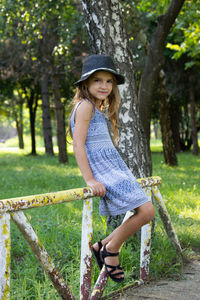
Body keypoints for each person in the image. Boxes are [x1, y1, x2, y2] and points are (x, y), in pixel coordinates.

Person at [69, 54, 155, 283]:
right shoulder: (85, 106)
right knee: (147, 211)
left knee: (145, 210)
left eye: (109, 81)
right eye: (97, 80)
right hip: (103, 171)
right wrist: (90, 180)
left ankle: (103, 245)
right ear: (85, 83)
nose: (104, 86)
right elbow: (78, 145)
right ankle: (110, 248)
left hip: (114, 168)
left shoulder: (97, 108)